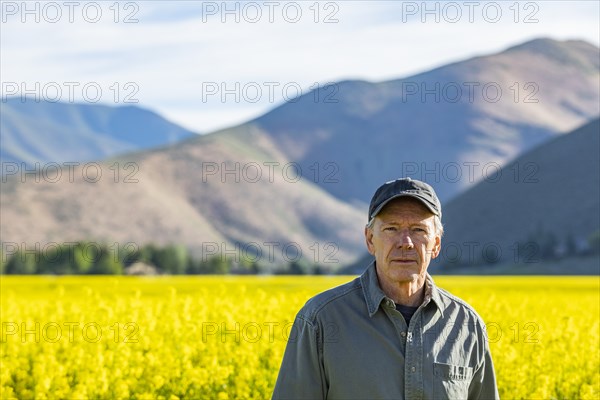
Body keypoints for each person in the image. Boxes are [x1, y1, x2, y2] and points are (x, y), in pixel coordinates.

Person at [272, 178, 499, 400]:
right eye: (392, 228)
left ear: (436, 244)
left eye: (418, 230)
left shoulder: (467, 326)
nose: (405, 242)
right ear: (370, 240)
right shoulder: (320, 319)